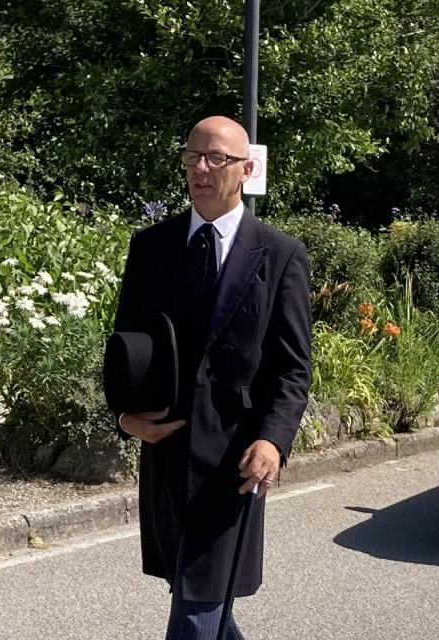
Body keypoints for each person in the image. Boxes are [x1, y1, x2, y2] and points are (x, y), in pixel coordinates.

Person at [108, 116, 313, 640]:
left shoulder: (281, 254)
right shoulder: (151, 246)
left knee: (198, 608)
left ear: (246, 169)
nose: (201, 168)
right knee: (199, 599)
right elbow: (125, 348)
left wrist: (274, 440)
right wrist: (127, 417)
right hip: (167, 453)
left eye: (216, 158)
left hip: (234, 460)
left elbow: (293, 368)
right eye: (193, 156)